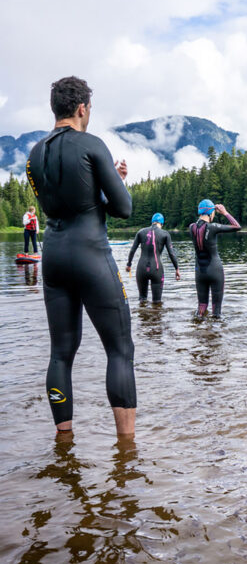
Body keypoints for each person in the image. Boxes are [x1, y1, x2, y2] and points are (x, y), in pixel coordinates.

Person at [24, 76, 135, 435]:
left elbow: (69, 201)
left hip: (54, 256)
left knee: (60, 353)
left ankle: (64, 442)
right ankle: (126, 451)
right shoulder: (91, 144)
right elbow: (123, 208)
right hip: (90, 254)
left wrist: (102, 183)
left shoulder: (34, 154)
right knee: (120, 350)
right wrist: (116, 182)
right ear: (82, 108)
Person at [189, 199, 241, 318]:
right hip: (215, 271)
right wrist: (225, 212)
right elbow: (237, 226)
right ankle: (215, 334)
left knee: (201, 308)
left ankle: (198, 332)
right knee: (216, 311)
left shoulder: (191, 227)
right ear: (211, 213)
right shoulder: (213, 227)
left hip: (200, 272)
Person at [126, 213, 180, 304]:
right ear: (162, 224)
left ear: (152, 222)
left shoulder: (140, 232)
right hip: (156, 269)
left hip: (141, 269)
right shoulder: (165, 234)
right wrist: (177, 269)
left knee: (142, 300)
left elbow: (132, 250)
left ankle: (142, 316)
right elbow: (171, 253)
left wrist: (129, 264)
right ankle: (156, 316)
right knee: (157, 302)